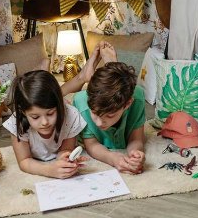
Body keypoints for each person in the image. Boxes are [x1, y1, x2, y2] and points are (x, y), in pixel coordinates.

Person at [62, 41, 146, 175]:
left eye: (110, 116)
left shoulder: (138, 98)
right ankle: (84, 76)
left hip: (120, 96)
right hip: (82, 98)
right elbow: (92, 145)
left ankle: (111, 68)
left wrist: (136, 153)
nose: (99, 123)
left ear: (128, 104)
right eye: (94, 114)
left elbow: (136, 139)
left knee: (124, 87)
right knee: (49, 100)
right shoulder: (82, 103)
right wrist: (113, 158)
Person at [3, 70, 88, 179]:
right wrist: (48, 170)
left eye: (50, 113)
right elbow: (24, 161)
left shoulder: (70, 116)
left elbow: (65, 149)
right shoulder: (17, 122)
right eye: (35, 117)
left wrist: (66, 159)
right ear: (23, 112)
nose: (45, 122)